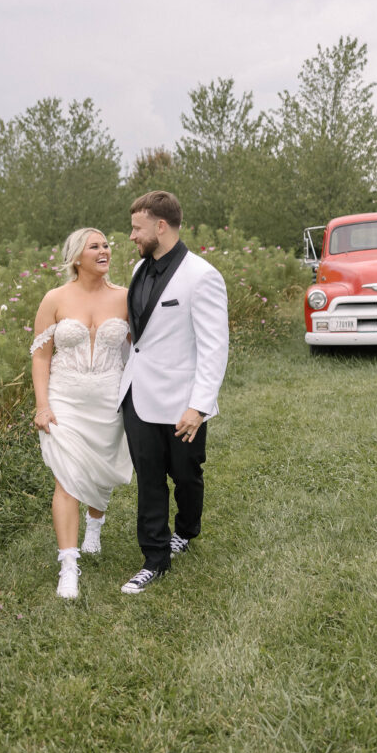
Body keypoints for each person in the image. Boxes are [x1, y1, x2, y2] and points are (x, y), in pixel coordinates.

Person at [118, 191, 229, 595]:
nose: (131, 236)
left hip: (183, 400)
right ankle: (154, 557)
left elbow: (215, 347)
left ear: (159, 226)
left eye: (137, 228)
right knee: (148, 478)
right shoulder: (137, 268)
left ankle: (186, 529)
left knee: (186, 474)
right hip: (138, 394)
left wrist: (198, 407)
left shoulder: (202, 276)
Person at [31, 228, 132, 599]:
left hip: (108, 397)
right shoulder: (54, 299)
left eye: (106, 245)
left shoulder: (125, 297)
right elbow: (40, 355)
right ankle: (68, 566)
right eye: (96, 246)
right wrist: (43, 405)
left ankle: (95, 528)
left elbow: (140, 351)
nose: (104, 251)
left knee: (99, 470)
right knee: (68, 477)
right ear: (77, 257)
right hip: (65, 400)